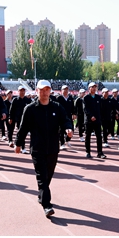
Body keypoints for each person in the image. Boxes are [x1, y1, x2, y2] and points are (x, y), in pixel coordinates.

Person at [15, 80, 73, 218]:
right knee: (42, 177)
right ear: (37, 91)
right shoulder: (30, 109)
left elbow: (65, 120)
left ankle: (42, 196)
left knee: (48, 177)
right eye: (42, 90)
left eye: (47, 89)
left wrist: (68, 128)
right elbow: (23, 128)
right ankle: (47, 205)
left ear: (50, 91)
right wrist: (18, 143)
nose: (45, 92)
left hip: (53, 148)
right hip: (37, 149)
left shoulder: (57, 107)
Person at [82, 82, 105, 158]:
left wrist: (100, 117)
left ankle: (100, 152)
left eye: (95, 87)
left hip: (97, 120)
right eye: (92, 87)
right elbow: (85, 109)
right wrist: (91, 116)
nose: (94, 88)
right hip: (89, 120)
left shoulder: (98, 98)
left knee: (99, 136)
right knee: (88, 136)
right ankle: (88, 152)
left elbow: (101, 108)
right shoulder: (86, 98)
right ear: (89, 88)